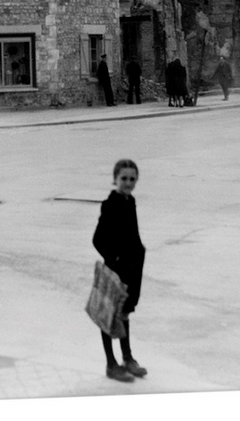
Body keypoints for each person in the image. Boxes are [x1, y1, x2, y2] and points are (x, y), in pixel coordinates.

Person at [92, 159, 147, 382]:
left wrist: (139, 253)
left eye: (132, 179)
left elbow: (133, 235)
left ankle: (127, 358)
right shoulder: (111, 204)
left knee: (124, 313)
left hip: (131, 269)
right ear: (115, 179)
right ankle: (111, 364)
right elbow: (98, 239)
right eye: (124, 178)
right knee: (108, 316)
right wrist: (115, 258)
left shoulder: (130, 201)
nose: (128, 183)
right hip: (116, 270)